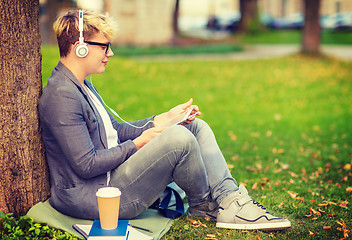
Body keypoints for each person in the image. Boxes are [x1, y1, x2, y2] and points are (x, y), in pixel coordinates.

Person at [39, 9, 291, 231]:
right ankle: (204, 205)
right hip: (94, 198)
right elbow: (86, 165)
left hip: (108, 182)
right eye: (104, 46)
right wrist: (140, 143)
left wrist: (163, 119)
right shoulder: (62, 94)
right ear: (79, 47)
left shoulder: (80, 84)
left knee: (190, 126)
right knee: (179, 138)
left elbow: (113, 132)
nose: (110, 53)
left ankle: (230, 199)